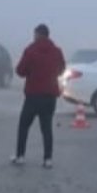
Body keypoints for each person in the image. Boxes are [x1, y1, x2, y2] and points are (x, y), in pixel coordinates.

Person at [12, 23, 66, 168]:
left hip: (33, 96)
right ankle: (48, 159)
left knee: (24, 126)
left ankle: (20, 156)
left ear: (38, 34)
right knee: (47, 128)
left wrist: (31, 72)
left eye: (35, 34)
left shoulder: (30, 50)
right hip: (50, 96)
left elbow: (20, 71)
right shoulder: (57, 51)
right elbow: (61, 69)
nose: (34, 37)